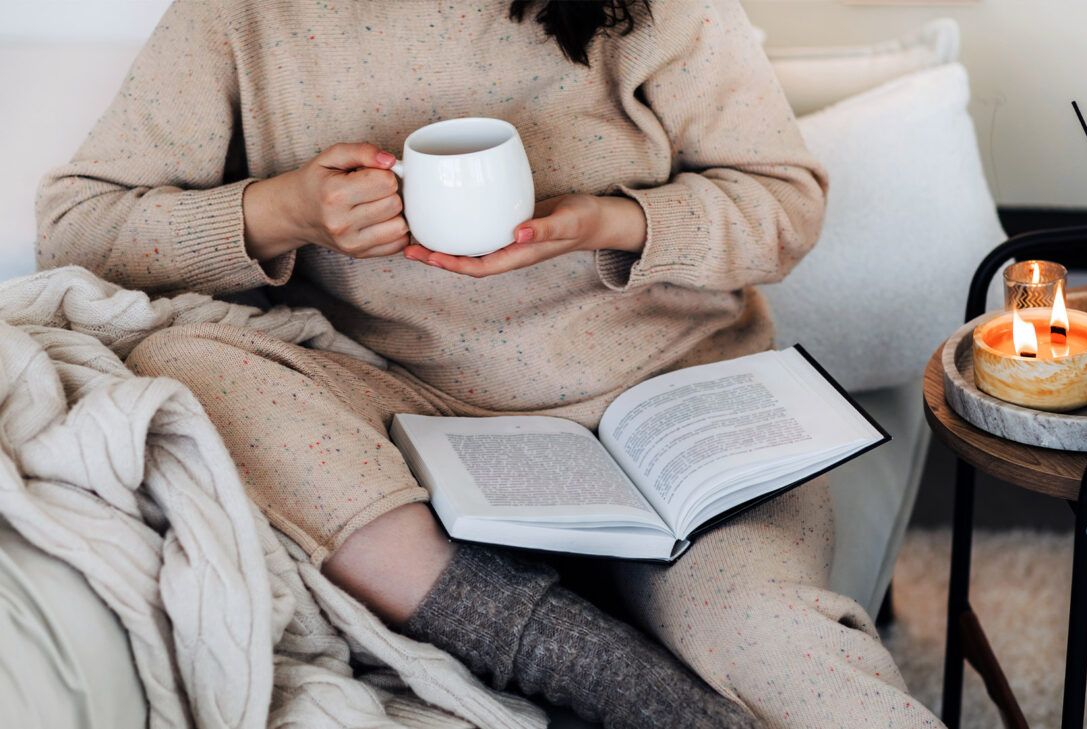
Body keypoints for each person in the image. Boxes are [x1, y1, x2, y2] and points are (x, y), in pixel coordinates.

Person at [36, 1, 941, 727]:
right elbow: (77, 228)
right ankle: (612, 680)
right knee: (184, 362)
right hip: (405, 417)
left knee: (773, 637)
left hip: (674, 409)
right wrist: (282, 212)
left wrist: (614, 221)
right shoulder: (238, 16)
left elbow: (785, 200)